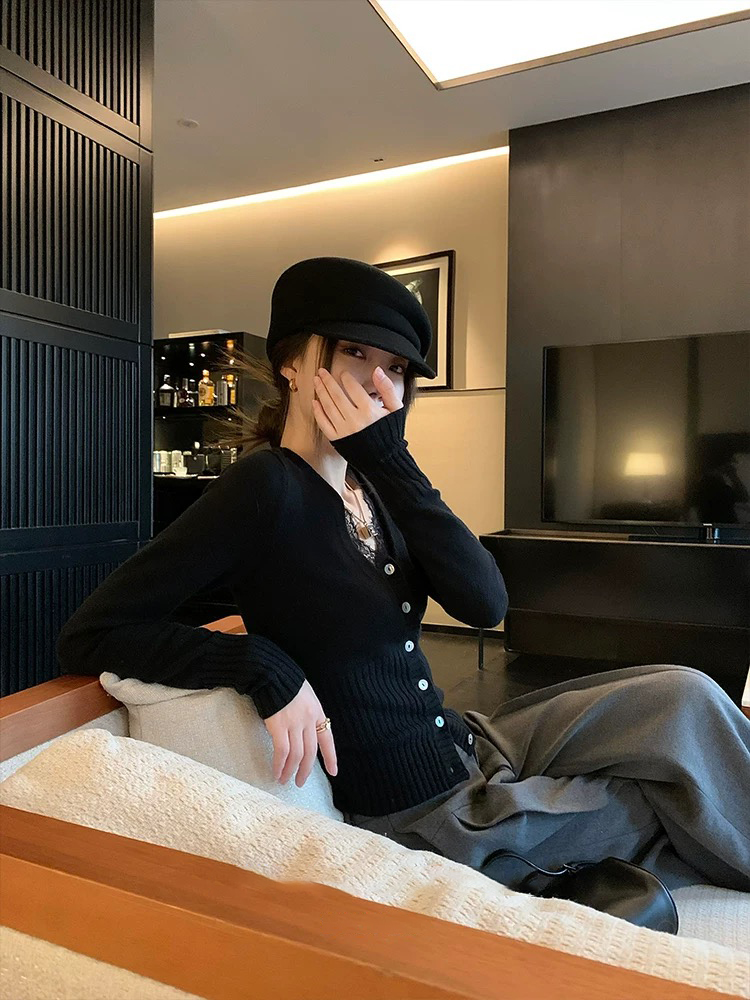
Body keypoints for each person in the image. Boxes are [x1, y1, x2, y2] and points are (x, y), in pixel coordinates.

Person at [56, 257, 750, 896]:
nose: (378, 383)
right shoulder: (262, 489)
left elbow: (485, 602)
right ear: (293, 363)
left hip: (474, 741)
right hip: (430, 815)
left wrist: (389, 462)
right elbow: (92, 632)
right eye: (355, 353)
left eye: (395, 368)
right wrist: (259, 663)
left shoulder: (377, 484)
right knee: (663, 793)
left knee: (683, 695)